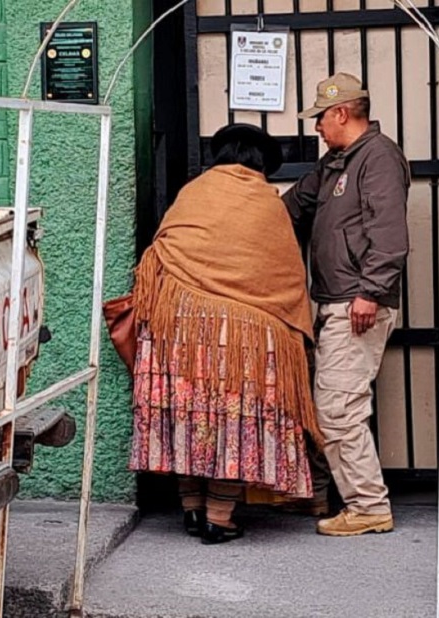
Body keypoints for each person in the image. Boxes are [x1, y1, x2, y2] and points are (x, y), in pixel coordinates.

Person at [129, 124, 320, 545]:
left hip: (177, 330)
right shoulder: (266, 203)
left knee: (188, 414)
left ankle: (192, 510)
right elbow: (282, 275)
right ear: (261, 164)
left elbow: (160, 253)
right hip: (241, 338)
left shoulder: (193, 193)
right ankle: (218, 517)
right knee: (233, 419)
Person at [283, 72, 410, 537]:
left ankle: (369, 506)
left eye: (320, 117)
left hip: (357, 303)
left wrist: (370, 292)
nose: (316, 126)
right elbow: (292, 206)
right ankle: (348, 499)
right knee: (334, 405)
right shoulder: (336, 162)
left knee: (338, 408)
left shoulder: (378, 158)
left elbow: (389, 233)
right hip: (336, 301)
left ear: (341, 112)